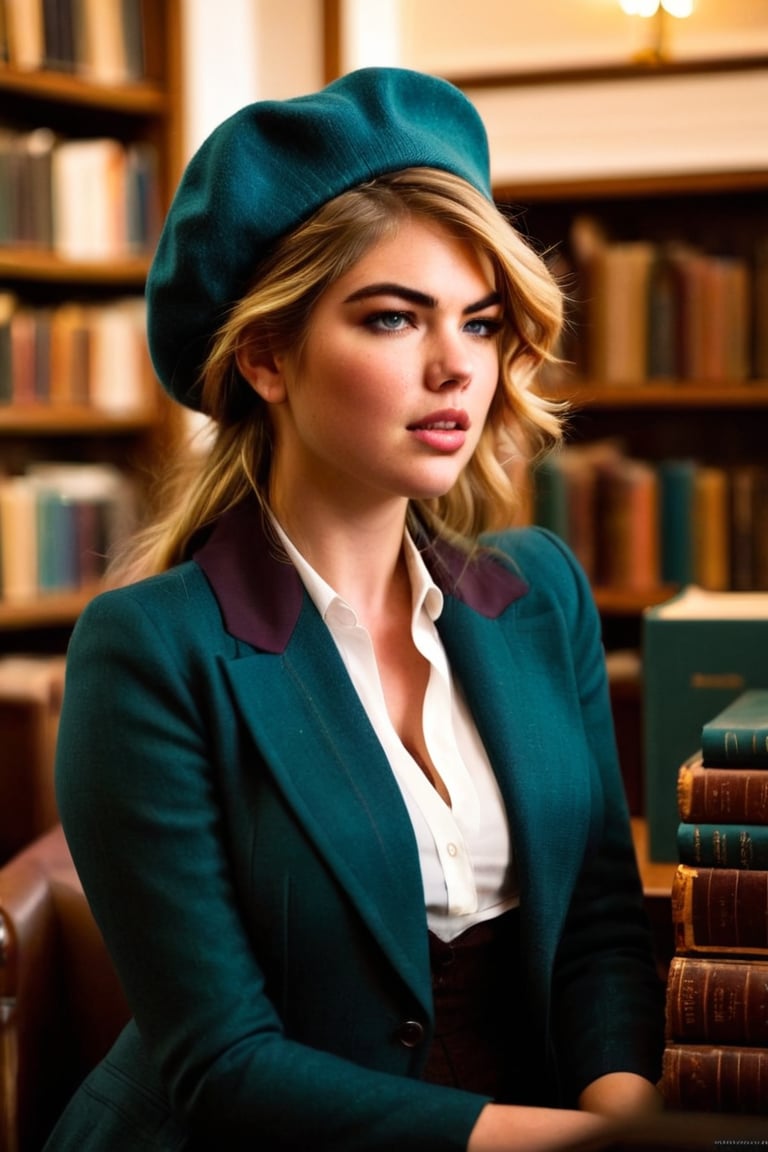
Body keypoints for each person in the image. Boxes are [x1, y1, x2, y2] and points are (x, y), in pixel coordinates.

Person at [47, 67, 665, 1151]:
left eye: (479, 324)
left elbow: (601, 929)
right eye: (392, 319)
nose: (454, 370)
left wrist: (626, 1108)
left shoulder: (539, 593)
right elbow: (224, 1066)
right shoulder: (149, 651)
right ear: (267, 355)